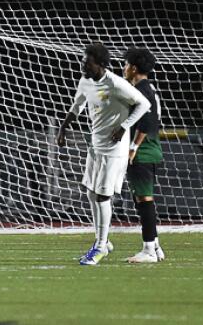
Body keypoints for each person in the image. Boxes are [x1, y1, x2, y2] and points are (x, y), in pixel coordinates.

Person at [56, 43, 151, 266]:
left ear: (100, 64)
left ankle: (100, 247)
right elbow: (77, 105)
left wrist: (124, 126)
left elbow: (143, 103)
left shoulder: (115, 83)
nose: (82, 66)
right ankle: (103, 241)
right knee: (91, 193)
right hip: (96, 146)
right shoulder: (85, 81)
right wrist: (63, 127)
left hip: (114, 150)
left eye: (86, 62)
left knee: (102, 197)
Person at [122, 48, 166, 264]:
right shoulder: (149, 88)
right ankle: (155, 246)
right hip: (150, 149)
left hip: (144, 151)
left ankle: (148, 249)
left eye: (126, 64)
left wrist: (133, 147)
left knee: (144, 199)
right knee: (141, 199)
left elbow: (147, 121)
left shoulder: (141, 90)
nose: (124, 68)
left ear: (133, 68)